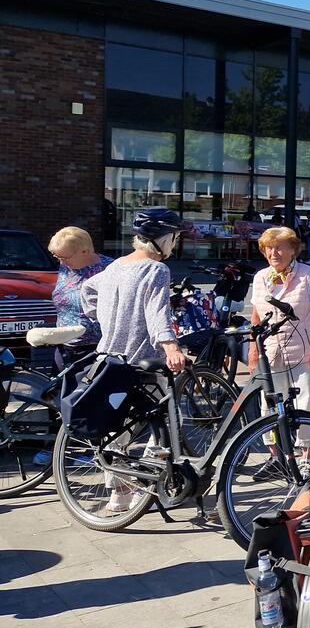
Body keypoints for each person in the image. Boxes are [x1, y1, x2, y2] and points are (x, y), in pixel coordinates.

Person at [80, 209, 189, 513]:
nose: (175, 243)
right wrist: (170, 347)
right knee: (165, 423)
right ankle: (152, 482)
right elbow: (158, 314)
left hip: (108, 358)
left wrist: (103, 318)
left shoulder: (116, 266)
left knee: (117, 429)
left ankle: (119, 494)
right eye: (175, 237)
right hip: (142, 361)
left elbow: (86, 289)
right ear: (164, 238)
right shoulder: (156, 270)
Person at [248, 228, 310, 436]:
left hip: (305, 352)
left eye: (279, 248)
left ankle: (306, 457)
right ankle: (277, 456)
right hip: (271, 353)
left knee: (307, 405)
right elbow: (256, 317)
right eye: (269, 248)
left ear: (293, 250)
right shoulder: (260, 278)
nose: (273, 253)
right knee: (270, 407)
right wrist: (252, 351)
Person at [47, 226, 112, 365]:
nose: (61, 262)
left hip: (95, 349)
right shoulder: (67, 266)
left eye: (65, 257)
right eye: (57, 257)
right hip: (64, 345)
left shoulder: (110, 270)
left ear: (85, 251)